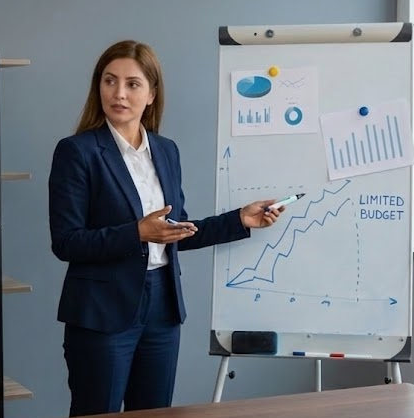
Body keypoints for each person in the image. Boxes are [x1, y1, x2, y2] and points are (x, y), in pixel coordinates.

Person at [49, 40, 284, 416]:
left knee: (157, 412)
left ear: (152, 94)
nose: (119, 93)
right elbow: (66, 242)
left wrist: (240, 219)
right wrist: (137, 233)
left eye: (132, 84)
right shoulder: (77, 151)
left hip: (162, 305)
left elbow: (174, 231)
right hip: (102, 312)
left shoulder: (166, 150)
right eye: (109, 81)